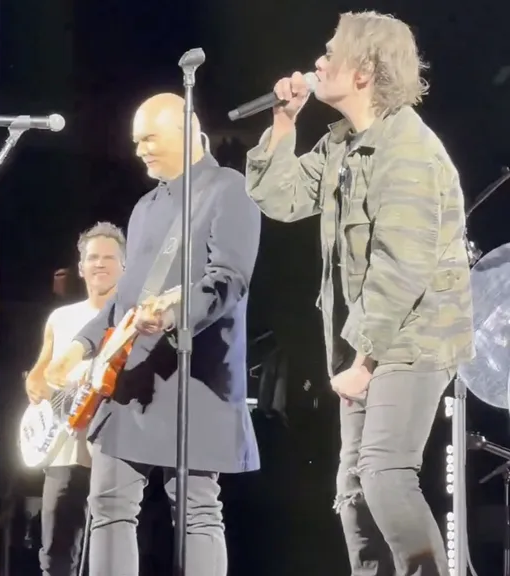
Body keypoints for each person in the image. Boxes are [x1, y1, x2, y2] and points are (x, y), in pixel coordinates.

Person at [244, 11, 472, 576]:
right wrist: (283, 122)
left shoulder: (410, 150)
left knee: (384, 475)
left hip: (411, 341)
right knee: (353, 491)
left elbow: (402, 267)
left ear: (366, 69)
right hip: (362, 342)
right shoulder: (343, 142)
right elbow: (282, 199)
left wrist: (365, 360)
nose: (317, 63)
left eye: (330, 53)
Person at [45, 93, 261, 576]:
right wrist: (77, 347)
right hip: (131, 375)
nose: (139, 148)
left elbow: (228, 281)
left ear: (186, 131)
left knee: (197, 509)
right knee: (108, 504)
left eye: (149, 138)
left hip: (194, 376)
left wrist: (174, 313)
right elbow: (124, 302)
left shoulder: (231, 190)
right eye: (136, 140)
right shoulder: (145, 206)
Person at [24, 222, 125, 576]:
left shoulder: (132, 319)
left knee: (109, 547)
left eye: (109, 258)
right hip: (63, 451)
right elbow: (38, 376)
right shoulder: (61, 318)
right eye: (93, 258)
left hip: (114, 451)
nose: (100, 264)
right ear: (80, 267)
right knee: (55, 549)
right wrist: (40, 387)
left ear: (124, 267)